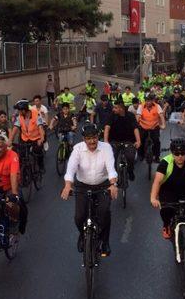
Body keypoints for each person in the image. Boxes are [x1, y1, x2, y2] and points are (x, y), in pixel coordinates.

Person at [60, 123, 118, 257]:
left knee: (104, 212)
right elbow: (71, 169)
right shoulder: (78, 149)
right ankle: (82, 235)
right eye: (88, 138)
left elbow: (111, 168)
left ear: (98, 136)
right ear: (84, 139)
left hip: (103, 185)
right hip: (82, 186)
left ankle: (104, 241)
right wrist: (68, 185)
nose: (92, 141)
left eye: (94, 137)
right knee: (79, 216)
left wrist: (113, 184)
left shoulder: (106, 148)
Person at [104, 100, 141, 181]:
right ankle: (114, 175)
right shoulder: (112, 115)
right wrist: (106, 141)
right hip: (114, 141)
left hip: (128, 141)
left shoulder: (130, 116)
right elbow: (107, 127)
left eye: (115, 108)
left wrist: (138, 141)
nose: (113, 109)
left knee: (130, 157)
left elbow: (135, 128)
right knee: (111, 158)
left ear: (121, 109)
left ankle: (130, 171)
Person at [9, 100, 45, 172]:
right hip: (25, 138)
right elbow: (15, 129)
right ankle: (23, 169)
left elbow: (40, 127)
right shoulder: (20, 117)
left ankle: (41, 165)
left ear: (23, 110)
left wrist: (41, 139)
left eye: (19, 110)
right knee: (21, 154)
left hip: (35, 138)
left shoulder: (36, 114)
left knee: (38, 150)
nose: (18, 112)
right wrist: (10, 140)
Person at [136, 94, 166, 162]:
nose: (147, 102)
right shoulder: (141, 106)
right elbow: (138, 117)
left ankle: (157, 156)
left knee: (156, 141)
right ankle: (141, 155)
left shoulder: (157, 106)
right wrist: (135, 124)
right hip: (143, 127)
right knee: (141, 141)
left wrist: (163, 124)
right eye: (146, 100)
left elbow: (161, 116)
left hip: (154, 127)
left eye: (149, 100)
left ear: (152, 101)